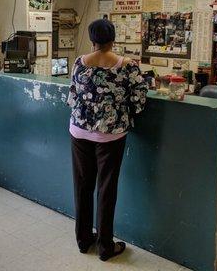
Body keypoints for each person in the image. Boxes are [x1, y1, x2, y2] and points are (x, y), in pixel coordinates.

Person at [67, 19, 148, 261]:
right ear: (113, 39)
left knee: (82, 186)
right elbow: (139, 101)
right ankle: (105, 246)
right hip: (111, 135)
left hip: (79, 132)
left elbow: (72, 96)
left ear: (92, 41)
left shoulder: (80, 63)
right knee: (106, 189)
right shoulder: (127, 66)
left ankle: (83, 240)